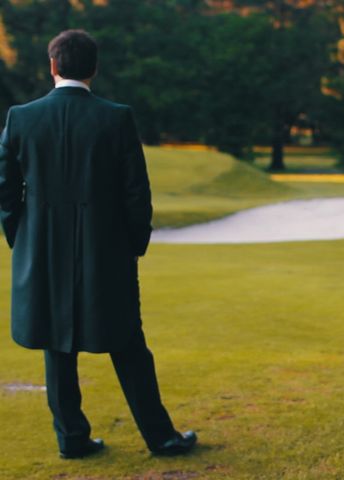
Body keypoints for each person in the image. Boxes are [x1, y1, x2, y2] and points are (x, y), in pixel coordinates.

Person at [0, 29, 197, 459]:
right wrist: (133, 245)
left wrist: (23, 240)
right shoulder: (116, 116)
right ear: (94, 68)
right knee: (128, 343)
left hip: (43, 253)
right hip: (107, 252)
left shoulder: (20, 117)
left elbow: (6, 191)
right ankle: (161, 438)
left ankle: (71, 439)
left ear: (53, 66)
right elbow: (136, 192)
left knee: (57, 348)